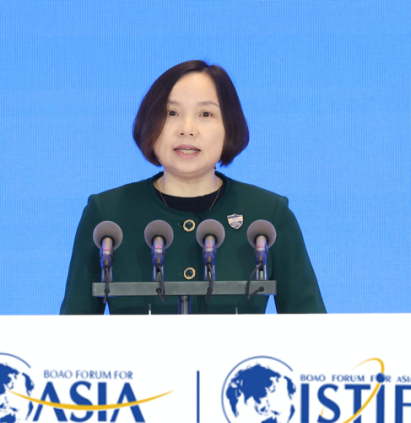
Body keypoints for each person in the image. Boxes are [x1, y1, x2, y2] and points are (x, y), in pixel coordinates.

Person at [59, 60, 326, 315]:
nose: (187, 129)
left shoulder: (268, 215)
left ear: (229, 126)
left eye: (205, 114)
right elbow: (72, 331)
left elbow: (313, 330)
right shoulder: (107, 214)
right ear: (150, 124)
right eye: (171, 113)